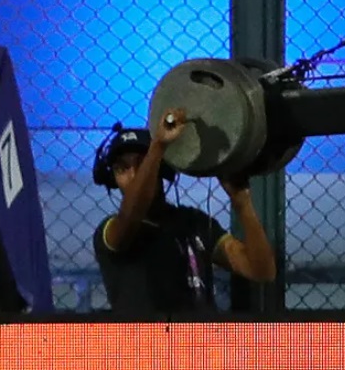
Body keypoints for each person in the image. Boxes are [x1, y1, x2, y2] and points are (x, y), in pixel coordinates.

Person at [92, 109, 277, 313]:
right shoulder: (111, 231)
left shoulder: (192, 221)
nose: (134, 174)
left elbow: (261, 270)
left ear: (161, 168)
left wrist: (242, 203)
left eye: (141, 163)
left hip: (197, 343)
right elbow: (133, 211)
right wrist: (158, 146)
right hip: (146, 343)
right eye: (122, 168)